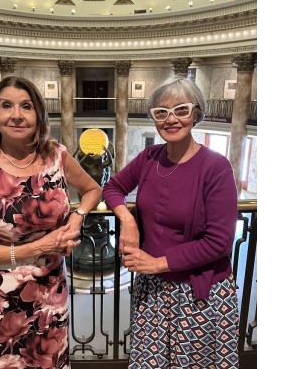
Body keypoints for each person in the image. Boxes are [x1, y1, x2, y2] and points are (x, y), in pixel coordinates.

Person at [0, 76, 102, 369]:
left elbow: (93, 190)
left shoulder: (56, 156)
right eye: (6, 106)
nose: (16, 114)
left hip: (50, 292)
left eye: (26, 106)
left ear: (38, 114)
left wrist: (77, 217)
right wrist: (41, 245)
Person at [102, 76, 239, 368]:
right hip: (153, 290)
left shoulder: (216, 167)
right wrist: (127, 219)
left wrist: (156, 263)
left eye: (181, 110)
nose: (171, 119)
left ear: (196, 114)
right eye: (161, 112)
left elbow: (219, 242)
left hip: (198, 294)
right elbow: (112, 188)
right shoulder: (149, 157)